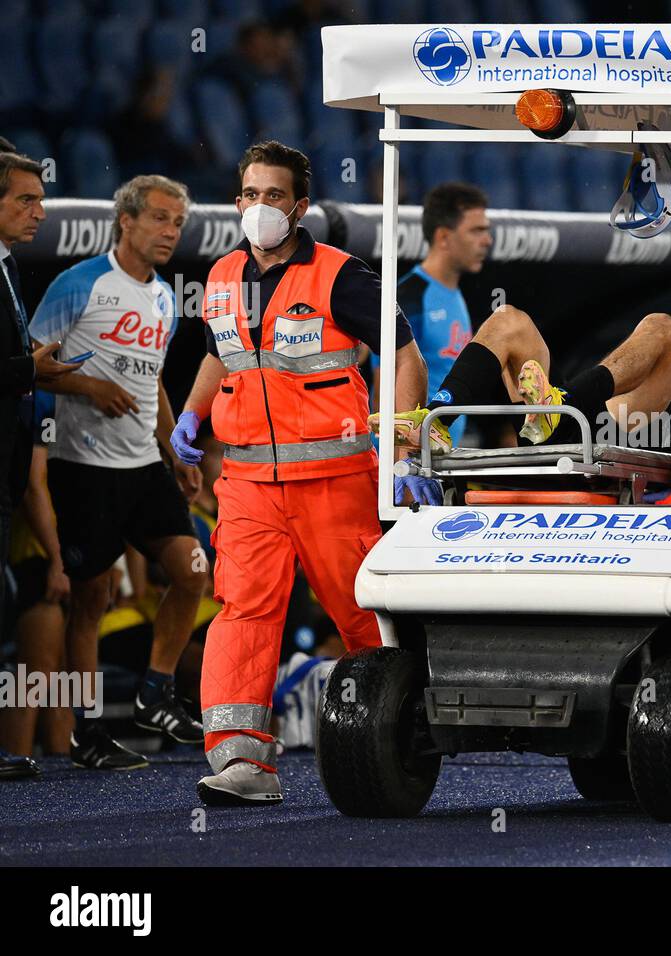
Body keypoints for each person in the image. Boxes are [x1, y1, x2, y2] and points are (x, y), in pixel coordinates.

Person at [170, 141, 429, 806]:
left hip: (336, 483)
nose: (261, 208)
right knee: (242, 613)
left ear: (301, 206)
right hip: (249, 487)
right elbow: (220, 356)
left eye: (275, 196)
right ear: (236, 202)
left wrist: (399, 448)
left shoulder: (341, 276)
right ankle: (241, 761)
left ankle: (408, 738)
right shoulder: (222, 276)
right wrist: (192, 420)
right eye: (250, 195)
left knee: (364, 617)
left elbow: (403, 356)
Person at [29, 174, 208, 769]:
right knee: (93, 598)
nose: (170, 232)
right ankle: (85, 734)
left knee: (191, 570)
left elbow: (151, 377)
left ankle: (155, 692)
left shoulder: (163, 297)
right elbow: (26, 365)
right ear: (125, 221)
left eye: (178, 223)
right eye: (160, 218)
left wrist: (175, 449)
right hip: (82, 465)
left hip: (141, 464)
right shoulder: (78, 283)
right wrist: (86, 386)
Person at [0, 151, 82, 781]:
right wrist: (34, 369)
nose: (40, 211)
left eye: (40, 198)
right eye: (25, 200)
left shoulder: (8, 268)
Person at [375, 302, 671, 459]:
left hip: (594, 437)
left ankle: (555, 406)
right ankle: (436, 420)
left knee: (662, 324)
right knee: (508, 319)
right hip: (563, 423)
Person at [385, 182, 492, 447]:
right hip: (413, 459)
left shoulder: (455, 294)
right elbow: (384, 387)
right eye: (477, 230)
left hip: (443, 457)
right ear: (444, 237)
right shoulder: (409, 299)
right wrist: (403, 468)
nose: (487, 240)